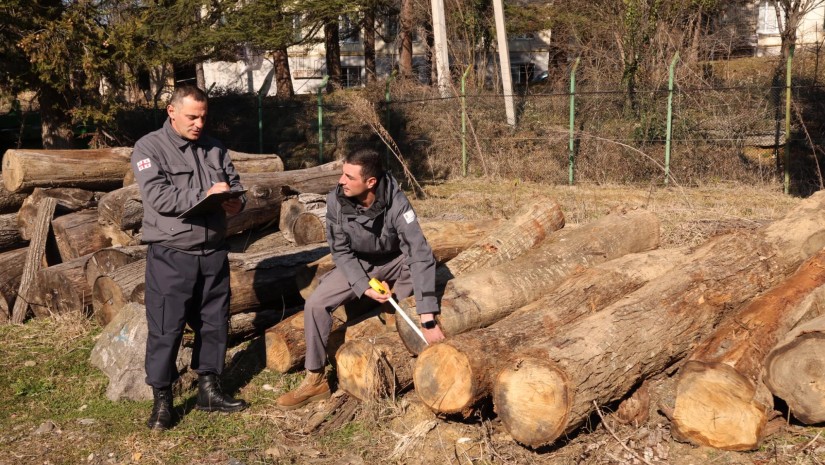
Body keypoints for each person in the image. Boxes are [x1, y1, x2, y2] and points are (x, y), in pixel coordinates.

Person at [276, 148, 445, 409]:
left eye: (348, 176)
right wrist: (363, 285)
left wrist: (428, 317)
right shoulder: (336, 200)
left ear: (370, 182)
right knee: (316, 304)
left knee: (423, 261)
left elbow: (418, 252)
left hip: (395, 260)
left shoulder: (397, 202)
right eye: (343, 174)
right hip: (357, 263)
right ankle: (315, 379)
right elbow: (340, 251)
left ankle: (393, 305)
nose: (341, 180)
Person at [132, 85, 248, 430]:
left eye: (203, 117)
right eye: (192, 117)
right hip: (172, 254)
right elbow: (158, 197)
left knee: (214, 323)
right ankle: (163, 399)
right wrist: (205, 193)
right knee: (166, 327)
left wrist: (235, 202)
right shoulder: (149, 147)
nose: (199, 123)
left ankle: (209, 389)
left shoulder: (215, 148)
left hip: (213, 251)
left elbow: (235, 186)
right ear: (172, 111)